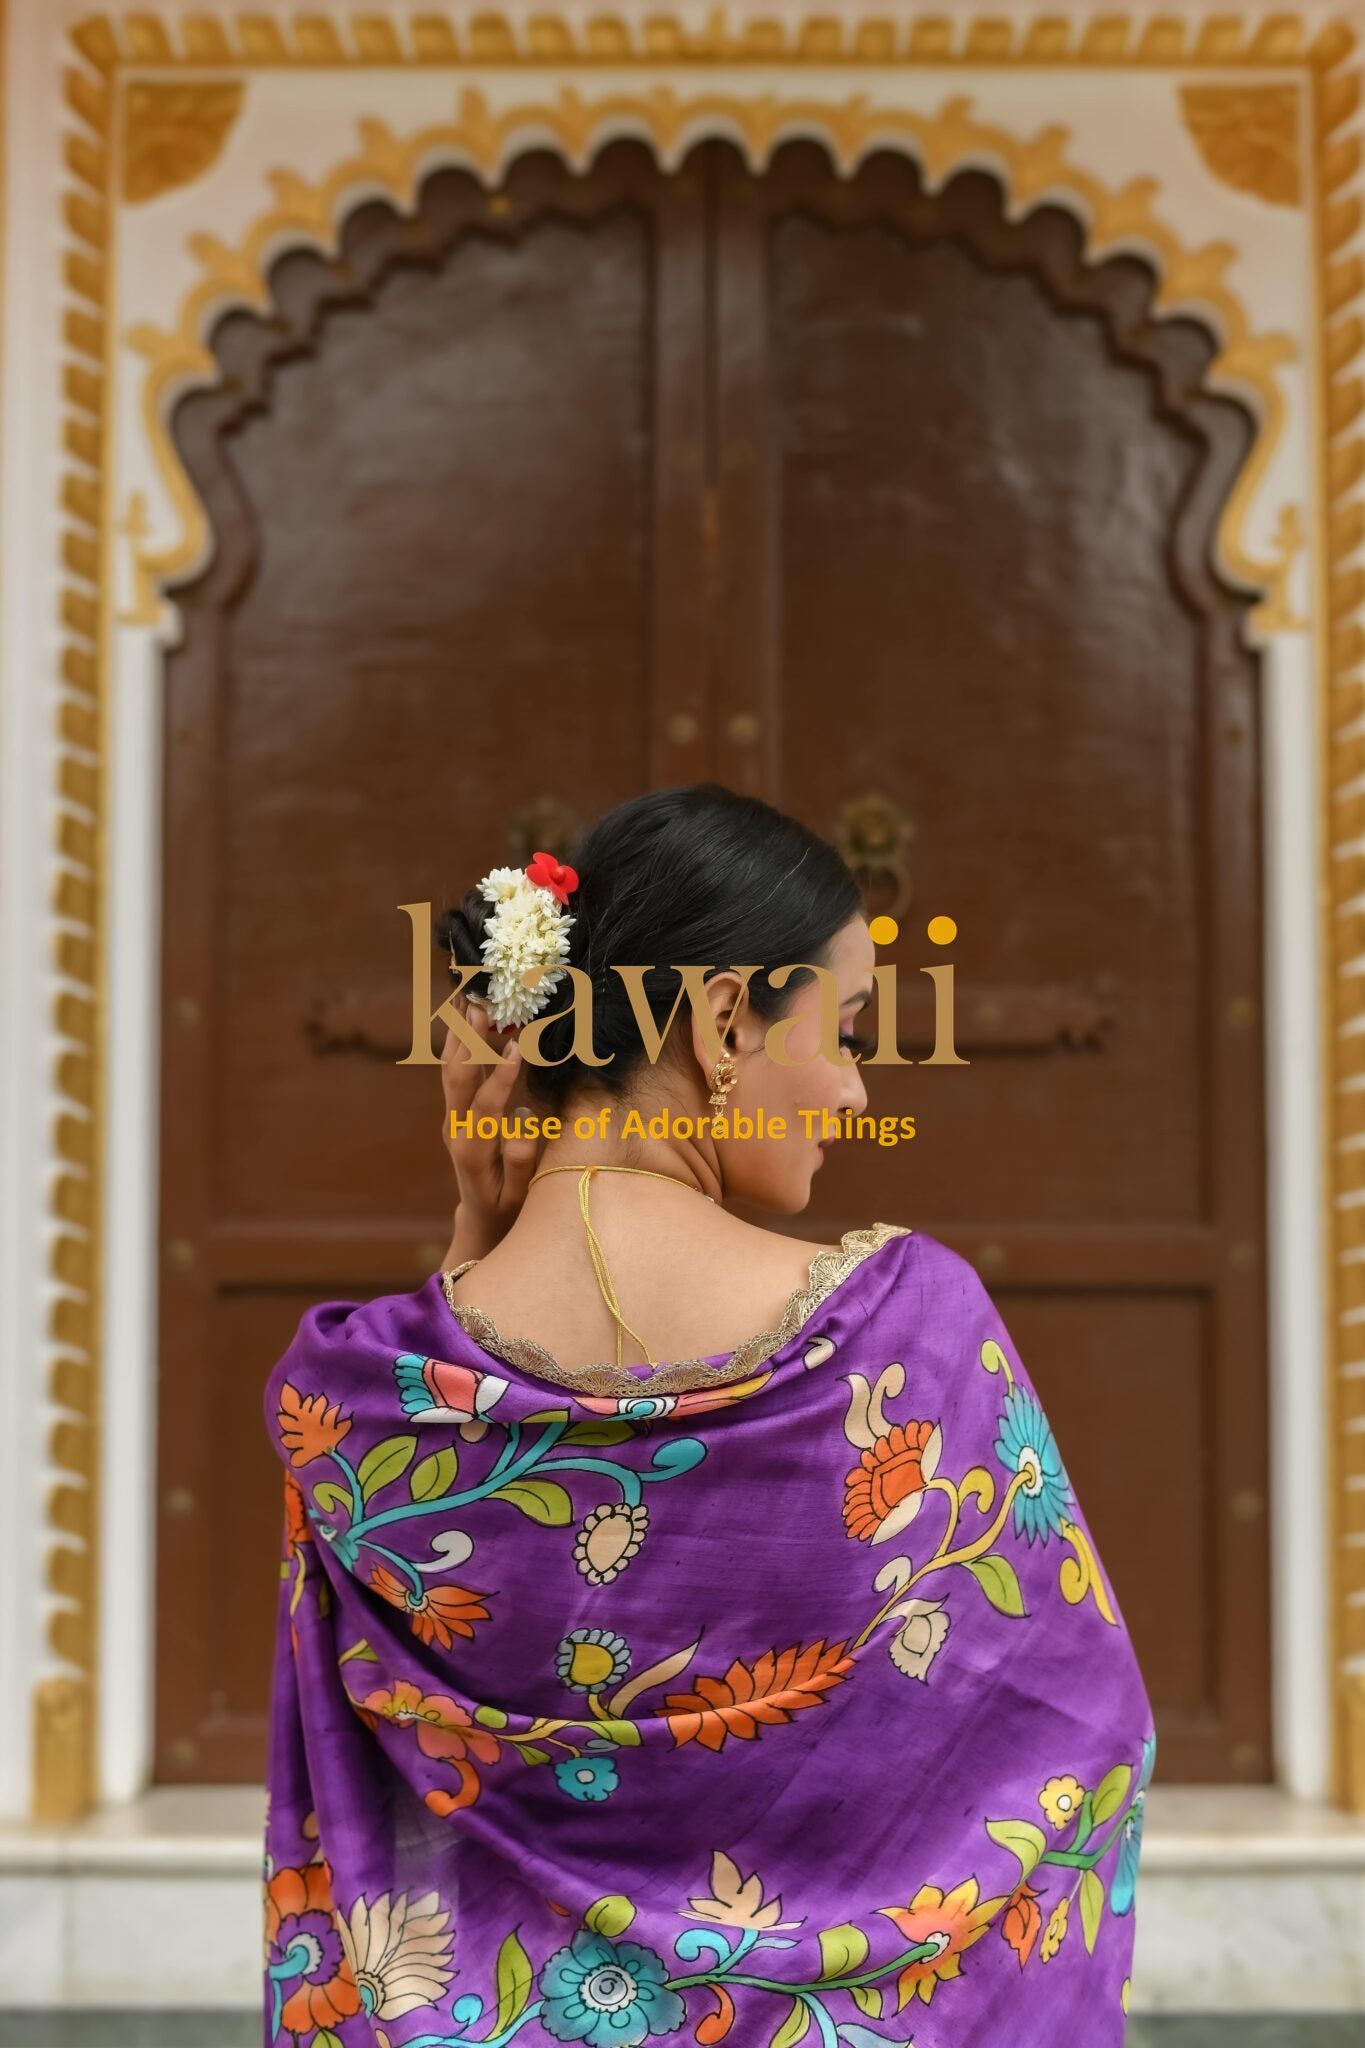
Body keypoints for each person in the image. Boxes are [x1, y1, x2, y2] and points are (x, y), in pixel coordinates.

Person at [261, 783, 1154, 2048]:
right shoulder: (910, 1332)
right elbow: (1074, 1737)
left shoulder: (350, 1394)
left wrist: (480, 1226)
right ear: (727, 1017)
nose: (854, 1090)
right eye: (845, 1030)